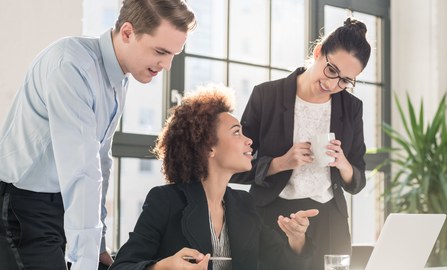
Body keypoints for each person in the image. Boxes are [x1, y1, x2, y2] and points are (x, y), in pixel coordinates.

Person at [0, 0, 196, 269]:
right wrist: (86, 261)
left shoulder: (118, 77)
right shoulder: (72, 66)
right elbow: (83, 169)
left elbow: (100, 160)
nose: (167, 65)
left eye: (174, 54)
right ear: (127, 33)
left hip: (58, 202)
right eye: (161, 51)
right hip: (22, 202)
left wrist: (99, 243)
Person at [109, 85, 319, 270]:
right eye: (237, 132)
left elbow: (284, 264)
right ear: (209, 147)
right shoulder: (165, 201)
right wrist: (163, 267)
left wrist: (296, 237)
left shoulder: (244, 204)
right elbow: (122, 266)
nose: (249, 141)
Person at [230, 17, 371, 270]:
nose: (332, 84)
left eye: (345, 81)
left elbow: (358, 179)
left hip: (329, 220)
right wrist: (280, 163)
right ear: (318, 52)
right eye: (331, 70)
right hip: (273, 217)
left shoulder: (351, 108)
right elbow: (235, 165)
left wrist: (343, 164)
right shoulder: (267, 96)